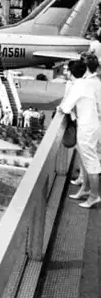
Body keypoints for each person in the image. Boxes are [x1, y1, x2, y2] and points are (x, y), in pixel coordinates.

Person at [58, 59, 101, 208]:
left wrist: (61, 108)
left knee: (90, 162)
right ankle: (86, 189)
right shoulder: (86, 84)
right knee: (86, 159)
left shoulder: (78, 86)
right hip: (92, 125)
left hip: (86, 127)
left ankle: (94, 196)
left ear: (71, 73)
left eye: (66, 70)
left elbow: (65, 107)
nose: (65, 72)